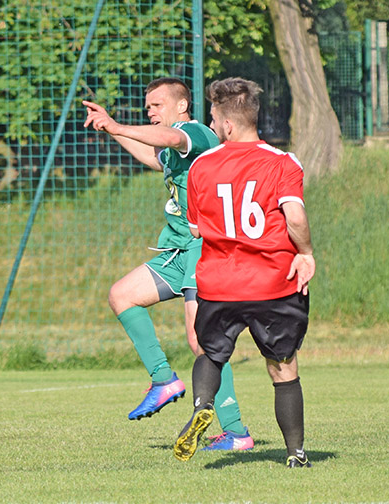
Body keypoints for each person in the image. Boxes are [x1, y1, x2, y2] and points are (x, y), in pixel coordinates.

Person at [82, 77, 253, 451]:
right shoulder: (173, 148)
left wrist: (117, 125)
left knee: (201, 341)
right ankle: (163, 380)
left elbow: (172, 138)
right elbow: (152, 155)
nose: (150, 112)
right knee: (122, 295)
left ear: (182, 106)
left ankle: (236, 432)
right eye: (148, 107)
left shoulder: (197, 133)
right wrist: (110, 129)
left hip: (203, 248)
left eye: (157, 105)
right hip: (177, 251)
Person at [173, 77, 316, 468]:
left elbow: (196, 228)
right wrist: (305, 253)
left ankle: (203, 404)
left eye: (213, 119)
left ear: (227, 124)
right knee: (283, 365)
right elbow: (295, 216)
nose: (212, 126)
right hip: (272, 282)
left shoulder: (201, 166)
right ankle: (296, 453)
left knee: (211, 354)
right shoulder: (283, 162)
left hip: (219, 283)